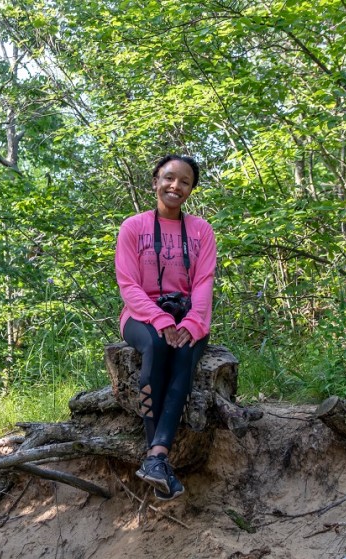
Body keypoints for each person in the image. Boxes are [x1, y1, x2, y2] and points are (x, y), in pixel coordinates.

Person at [114, 154, 216, 500]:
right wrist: (159, 320)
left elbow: (204, 282)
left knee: (184, 353)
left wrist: (190, 323)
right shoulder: (133, 227)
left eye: (185, 181)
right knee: (157, 348)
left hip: (189, 316)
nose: (176, 186)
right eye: (169, 178)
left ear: (191, 189)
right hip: (141, 315)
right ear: (155, 181)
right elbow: (128, 285)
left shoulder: (201, 230)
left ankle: (156, 459)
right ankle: (156, 456)